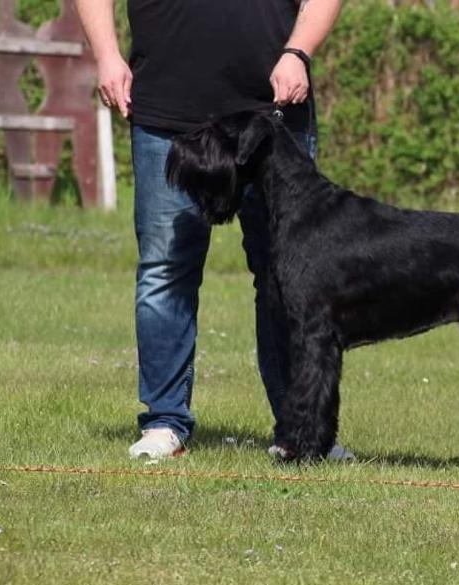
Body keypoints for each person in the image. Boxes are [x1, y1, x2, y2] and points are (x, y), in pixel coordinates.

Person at [75, 0, 351, 460]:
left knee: (289, 282)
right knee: (165, 270)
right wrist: (106, 53)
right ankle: (164, 424)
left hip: (275, 111)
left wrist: (298, 52)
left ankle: (301, 435)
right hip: (167, 109)